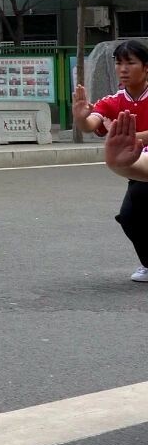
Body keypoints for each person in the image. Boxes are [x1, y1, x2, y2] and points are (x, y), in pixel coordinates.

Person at [73, 38, 148, 281]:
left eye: (130, 63)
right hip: (136, 168)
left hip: (138, 162)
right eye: (118, 63)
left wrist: (130, 137)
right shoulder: (112, 101)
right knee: (129, 216)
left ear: (146, 67)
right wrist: (81, 117)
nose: (123, 69)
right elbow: (90, 124)